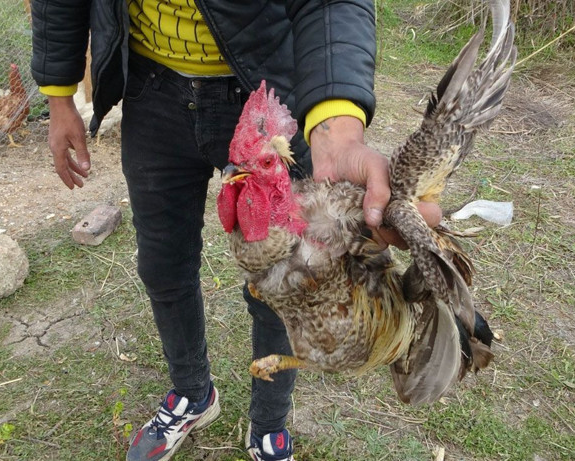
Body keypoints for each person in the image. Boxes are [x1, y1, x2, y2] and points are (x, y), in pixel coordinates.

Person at [31, 1, 439, 460]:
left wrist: (336, 129)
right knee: (162, 266)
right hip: (151, 88)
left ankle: (269, 421)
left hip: (264, 86)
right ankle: (192, 392)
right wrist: (59, 94)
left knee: (287, 283)